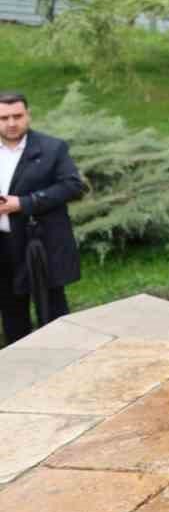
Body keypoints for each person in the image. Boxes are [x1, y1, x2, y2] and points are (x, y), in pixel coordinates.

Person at [0, 91, 83, 346]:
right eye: (4, 118)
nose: (11, 123)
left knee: (52, 309)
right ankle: (20, 367)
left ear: (28, 116)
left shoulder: (52, 148)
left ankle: (63, 361)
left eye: (18, 116)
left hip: (40, 244)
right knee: (11, 312)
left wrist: (23, 203)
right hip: (3, 247)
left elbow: (72, 186)